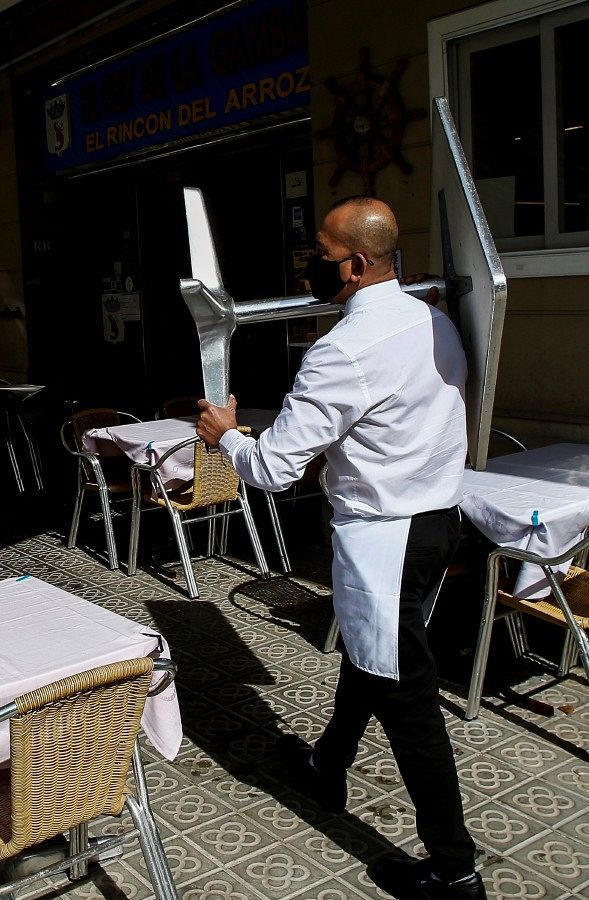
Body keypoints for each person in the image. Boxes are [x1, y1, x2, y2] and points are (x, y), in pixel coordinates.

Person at [196, 196, 484, 899]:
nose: (309, 269)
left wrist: (226, 436)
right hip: (436, 522)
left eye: (319, 258)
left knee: (407, 701)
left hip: (385, 538)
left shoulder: (341, 351)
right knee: (371, 654)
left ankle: (455, 871)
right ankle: (327, 766)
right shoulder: (435, 319)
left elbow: (274, 469)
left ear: (354, 266)